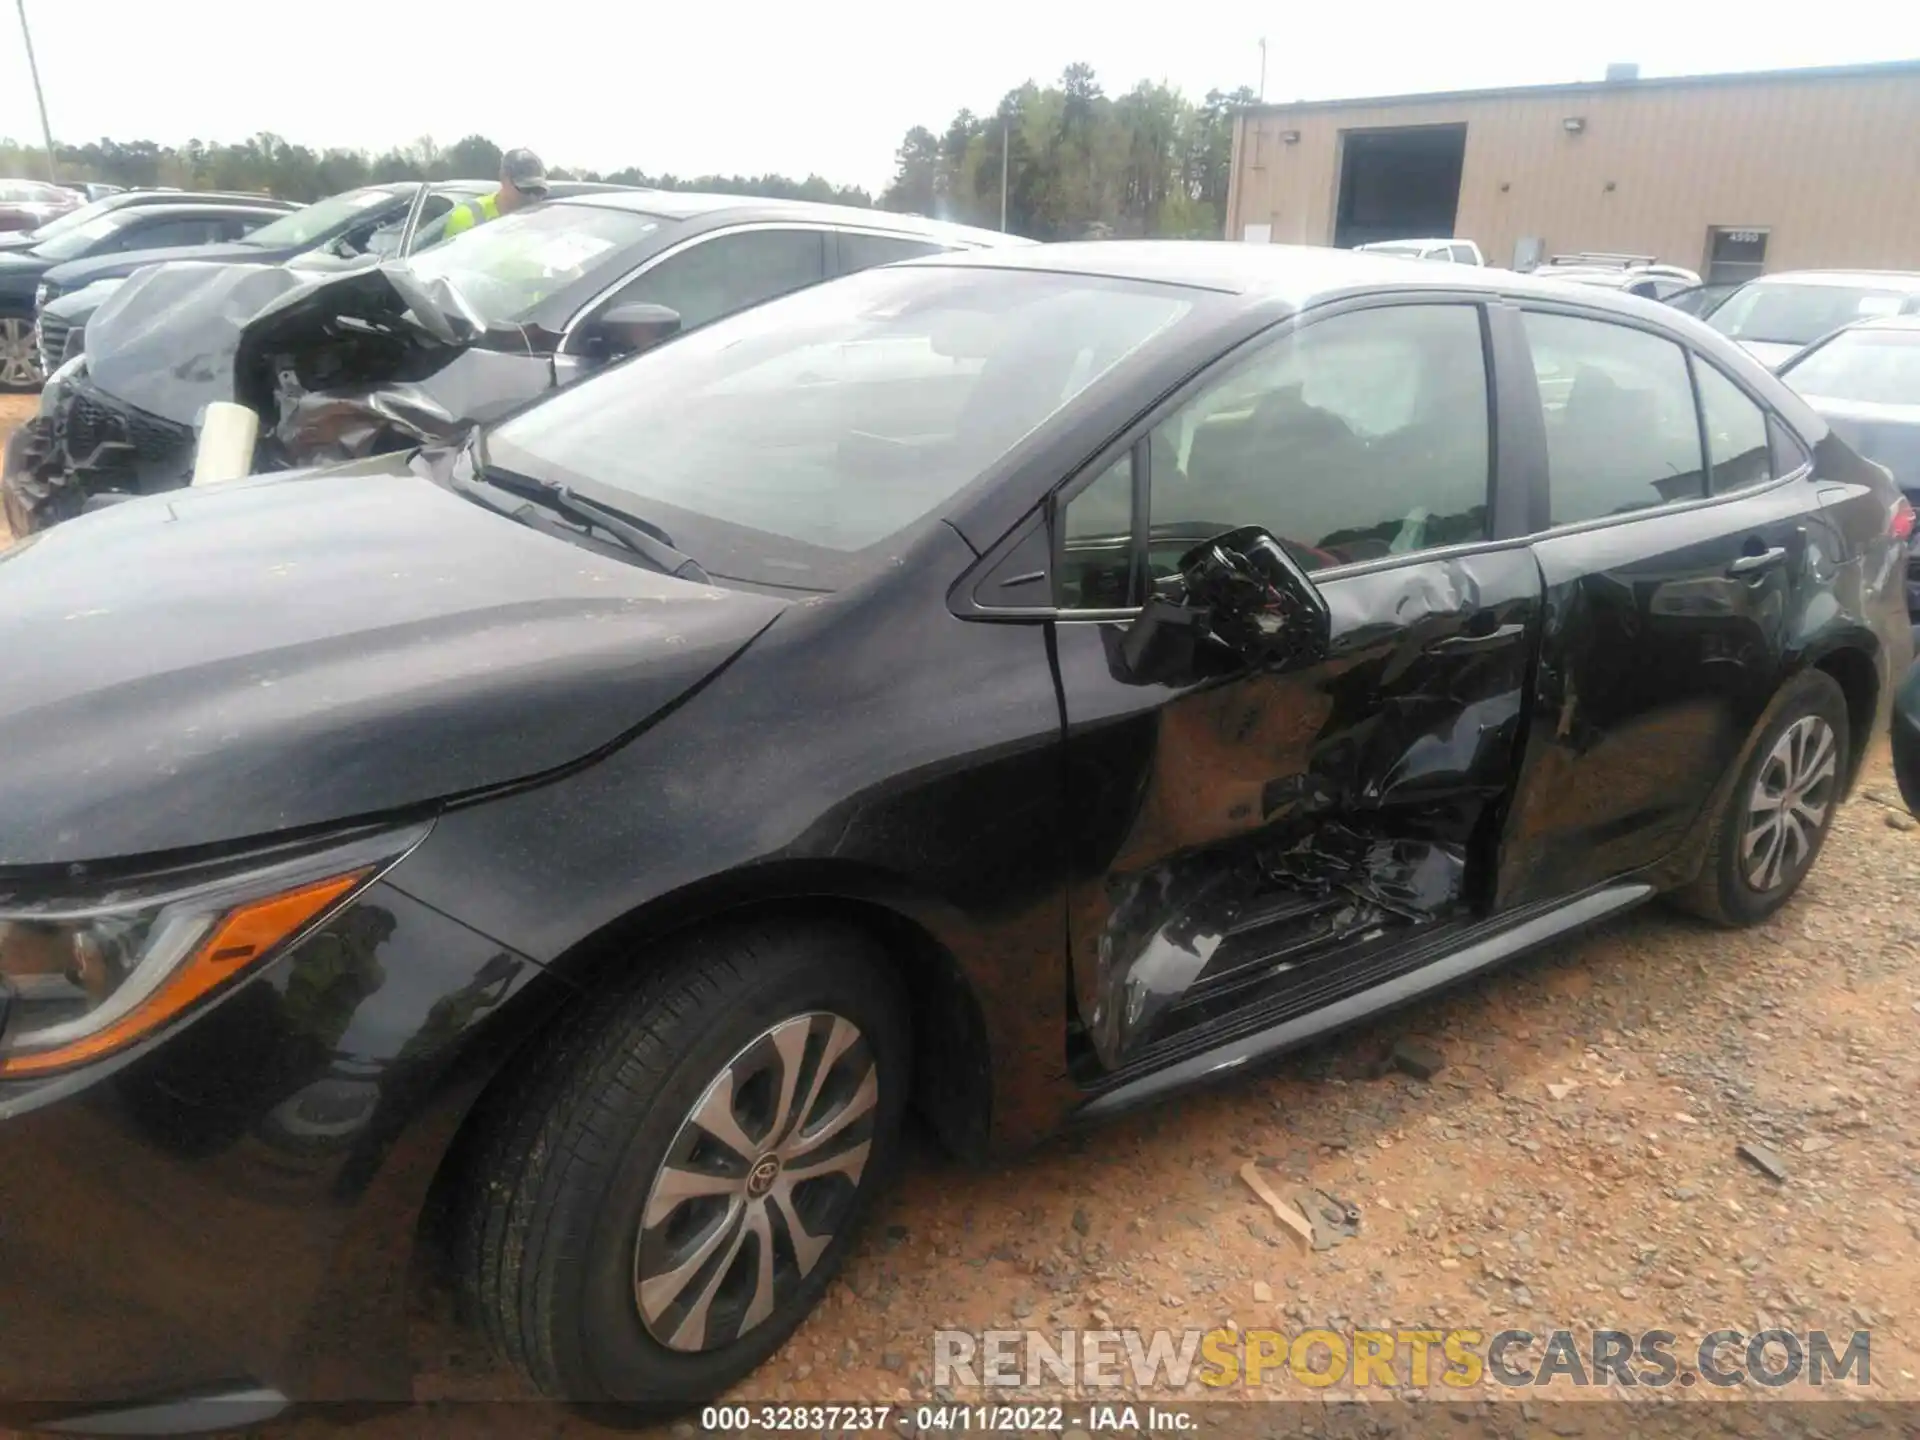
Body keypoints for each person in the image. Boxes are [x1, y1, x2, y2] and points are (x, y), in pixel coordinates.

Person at [443, 148, 549, 238]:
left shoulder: (544, 223)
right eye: (526, 189)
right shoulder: (466, 217)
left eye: (538, 191)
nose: (532, 197)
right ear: (504, 179)